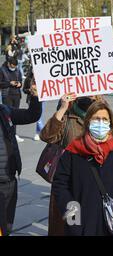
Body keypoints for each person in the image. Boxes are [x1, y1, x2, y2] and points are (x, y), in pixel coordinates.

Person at [52, 101, 113, 236]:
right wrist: (72, 214)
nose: (100, 123)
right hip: (80, 223)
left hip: (111, 220)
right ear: (88, 121)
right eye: (96, 119)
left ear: (110, 123)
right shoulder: (73, 150)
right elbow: (60, 185)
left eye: (104, 119)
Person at [40, 94, 99, 236]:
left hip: (94, 183)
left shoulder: (100, 117)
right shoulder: (68, 118)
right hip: (68, 184)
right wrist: (63, 108)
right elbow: (46, 136)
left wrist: (101, 103)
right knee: (68, 226)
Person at [0, 82, 41, 236]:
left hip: (9, 179)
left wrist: (35, 96)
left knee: (7, 227)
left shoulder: (4, 111)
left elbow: (32, 115)